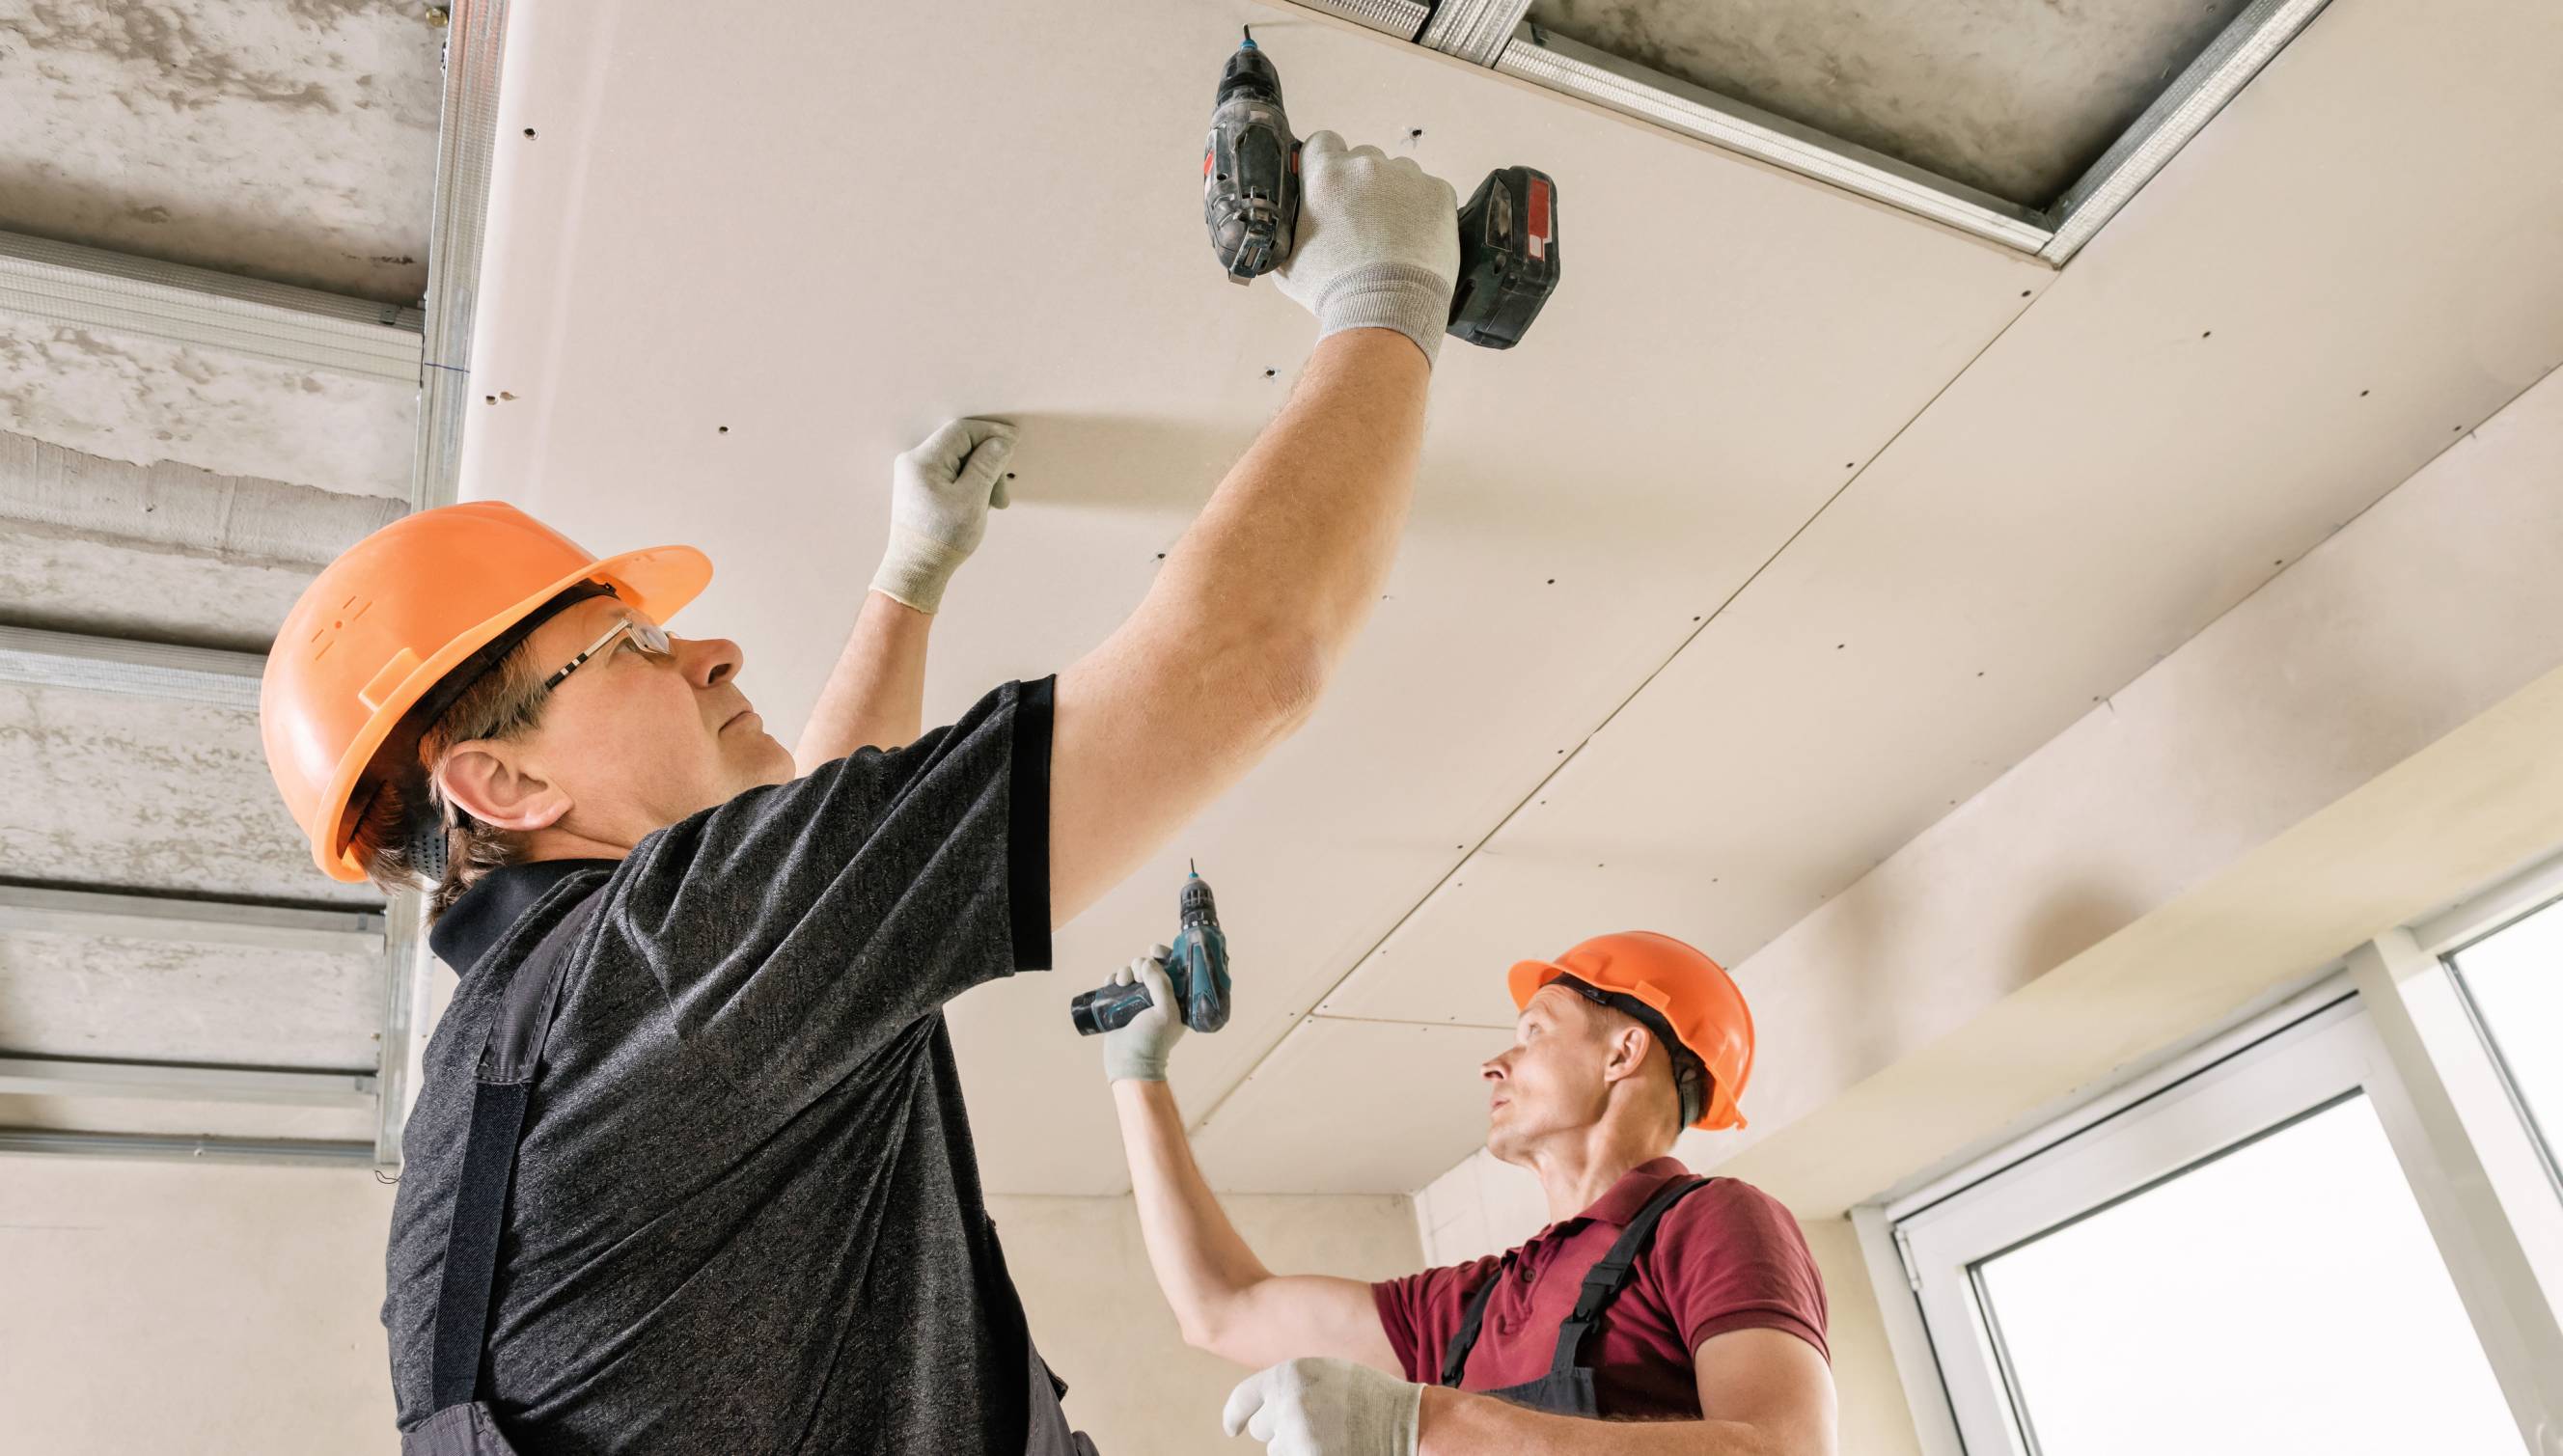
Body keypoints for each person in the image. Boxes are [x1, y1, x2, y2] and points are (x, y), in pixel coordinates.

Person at [256, 133, 1462, 1454]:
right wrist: (1390, 289)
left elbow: (809, 891)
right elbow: (1243, 667)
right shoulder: (661, 966)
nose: (707, 648)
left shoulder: (517, 1070)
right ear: (500, 779)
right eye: (632, 646)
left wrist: (913, 577)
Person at [1100, 931, 1838, 1455]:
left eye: (1533, 1032)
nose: (1494, 1063)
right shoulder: (1473, 1306)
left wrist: (1425, 1425)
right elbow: (1222, 1309)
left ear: (1623, 1050)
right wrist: (1139, 1074)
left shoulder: (1713, 1221)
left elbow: (1785, 1450)